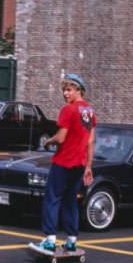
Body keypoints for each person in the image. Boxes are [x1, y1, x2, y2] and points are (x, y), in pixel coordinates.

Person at [38, 73, 96, 252]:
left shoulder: (68, 110)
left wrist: (49, 141)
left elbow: (61, 138)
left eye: (69, 89)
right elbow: (91, 141)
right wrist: (88, 166)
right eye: (64, 90)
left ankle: (50, 239)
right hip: (79, 164)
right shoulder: (89, 112)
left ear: (79, 90)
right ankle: (71, 240)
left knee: (52, 198)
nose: (65, 93)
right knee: (70, 200)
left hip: (64, 162)